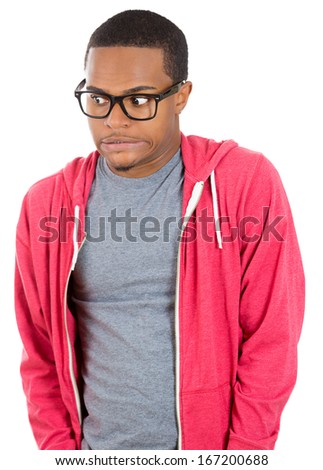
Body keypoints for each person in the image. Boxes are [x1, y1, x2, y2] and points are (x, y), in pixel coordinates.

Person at [15, 9, 305, 451]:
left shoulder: (244, 182)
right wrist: (61, 455)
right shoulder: (46, 205)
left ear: (181, 95)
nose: (114, 119)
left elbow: (272, 338)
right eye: (98, 98)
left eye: (138, 100)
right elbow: (39, 352)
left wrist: (243, 457)